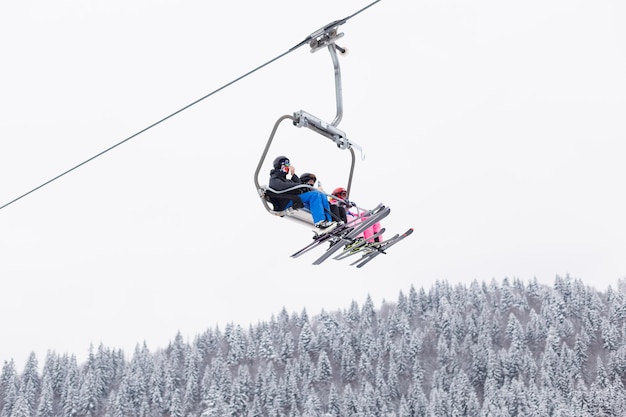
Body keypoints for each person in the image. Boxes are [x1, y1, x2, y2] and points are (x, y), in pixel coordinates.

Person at [268, 156, 336, 229]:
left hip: (294, 199)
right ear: (281, 165)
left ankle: (328, 221)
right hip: (287, 201)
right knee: (314, 195)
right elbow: (283, 186)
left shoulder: (284, 179)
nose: (289, 166)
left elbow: (299, 184)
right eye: (287, 164)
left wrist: (293, 174)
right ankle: (319, 222)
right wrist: (298, 185)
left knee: (321, 195)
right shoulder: (274, 179)